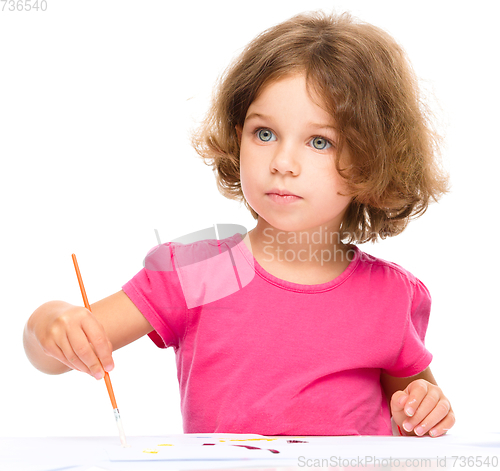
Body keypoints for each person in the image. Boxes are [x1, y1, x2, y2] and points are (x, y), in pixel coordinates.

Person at [23, 10, 455, 437]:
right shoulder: (201, 273)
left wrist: (425, 411)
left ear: (371, 160)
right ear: (237, 136)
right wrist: (51, 322)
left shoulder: (389, 296)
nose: (283, 163)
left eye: (319, 142)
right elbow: (53, 355)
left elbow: (418, 417)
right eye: (264, 134)